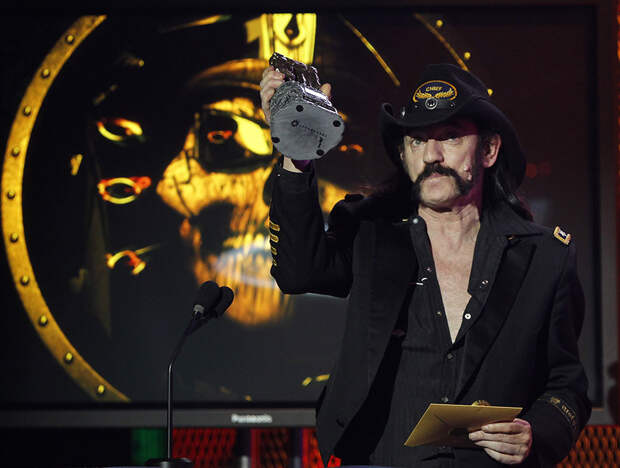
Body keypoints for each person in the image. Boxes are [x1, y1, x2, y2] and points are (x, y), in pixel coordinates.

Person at [260, 63, 591, 467]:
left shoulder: (545, 257)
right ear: (403, 154)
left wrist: (535, 434)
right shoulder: (369, 232)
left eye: (450, 137)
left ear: (489, 150)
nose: (432, 155)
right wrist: (295, 151)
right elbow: (297, 272)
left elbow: (566, 386)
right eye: (417, 141)